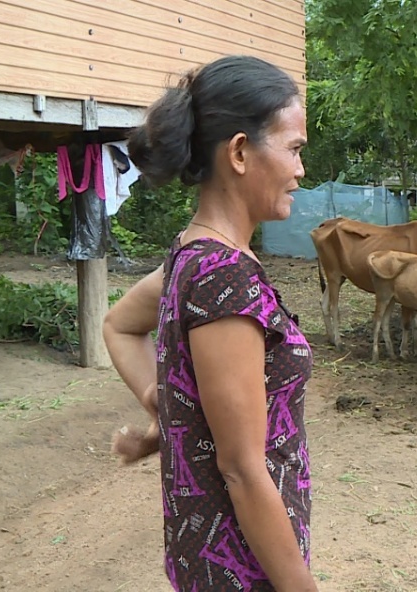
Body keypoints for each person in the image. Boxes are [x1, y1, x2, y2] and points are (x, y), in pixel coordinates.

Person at [102, 55, 317, 592]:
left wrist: (168, 407)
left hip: (207, 555)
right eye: (293, 149)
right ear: (240, 152)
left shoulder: (192, 253)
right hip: (243, 568)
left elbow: (119, 325)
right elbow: (242, 470)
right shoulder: (225, 280)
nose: (300, 170)